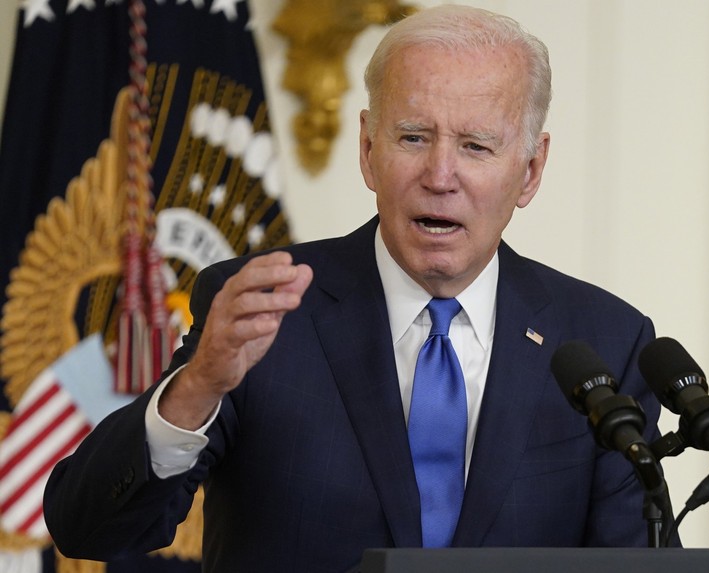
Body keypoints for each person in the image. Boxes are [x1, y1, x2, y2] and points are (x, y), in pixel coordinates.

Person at [44, 4, 668, 571]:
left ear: (530, 171)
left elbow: (635, 560)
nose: (440, 175)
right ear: (369, 150)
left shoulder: (604, 341)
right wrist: (197, 386)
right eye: (413, 138)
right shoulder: (265, 310)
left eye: (476, 146)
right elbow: (88, 528)